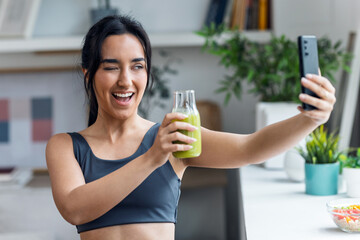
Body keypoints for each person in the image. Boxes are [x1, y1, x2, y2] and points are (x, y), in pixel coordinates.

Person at [46, 15, 336, 240]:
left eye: (137, 66)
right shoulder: (66, 147)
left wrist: (310, 119)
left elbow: (251, 148)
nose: (126, 80)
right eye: (111, 67)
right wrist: (151, 158)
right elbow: (75, 208)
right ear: (89, 74)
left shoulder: (173, 139)